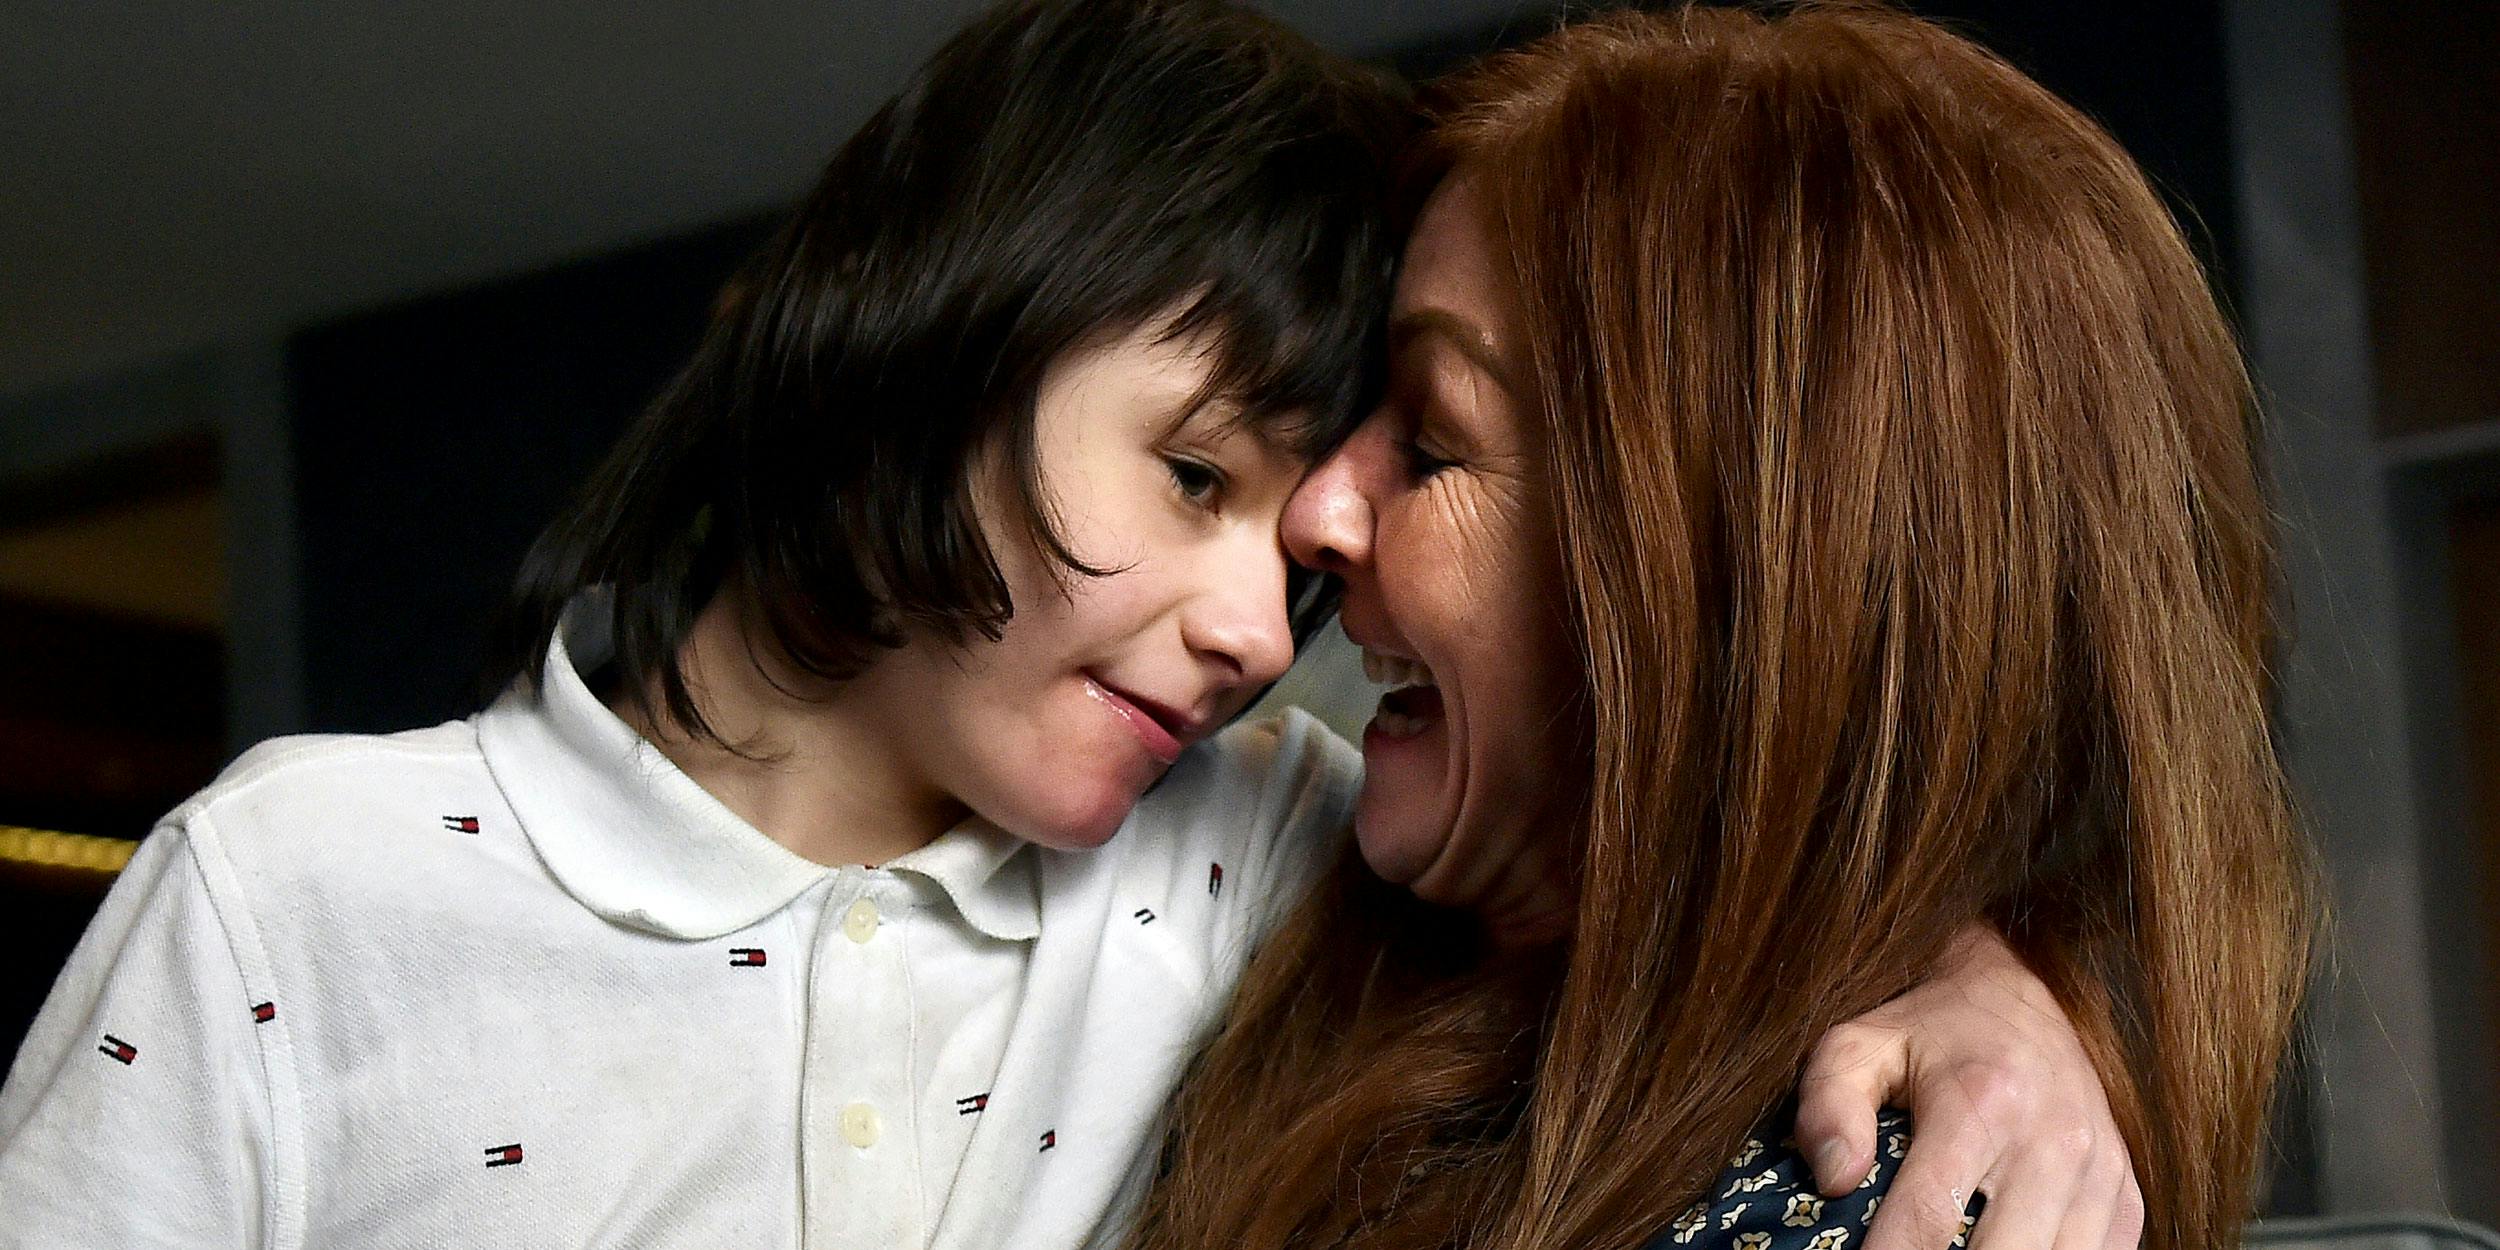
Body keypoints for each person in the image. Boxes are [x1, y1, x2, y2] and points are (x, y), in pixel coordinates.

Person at [1, 2, 2140, 1247]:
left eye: (1298, 573)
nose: (1254, 617)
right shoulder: (292, 896)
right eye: (1193, 478)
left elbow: (1693, 817)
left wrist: (1975, 976)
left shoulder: (1254, 845)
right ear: (916, 343)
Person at [1129, 7, 2314, 1250]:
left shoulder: (1870, 1198)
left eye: (1434, 443)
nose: (1318, 508)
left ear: (1738, 591)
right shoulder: (1277, 913)